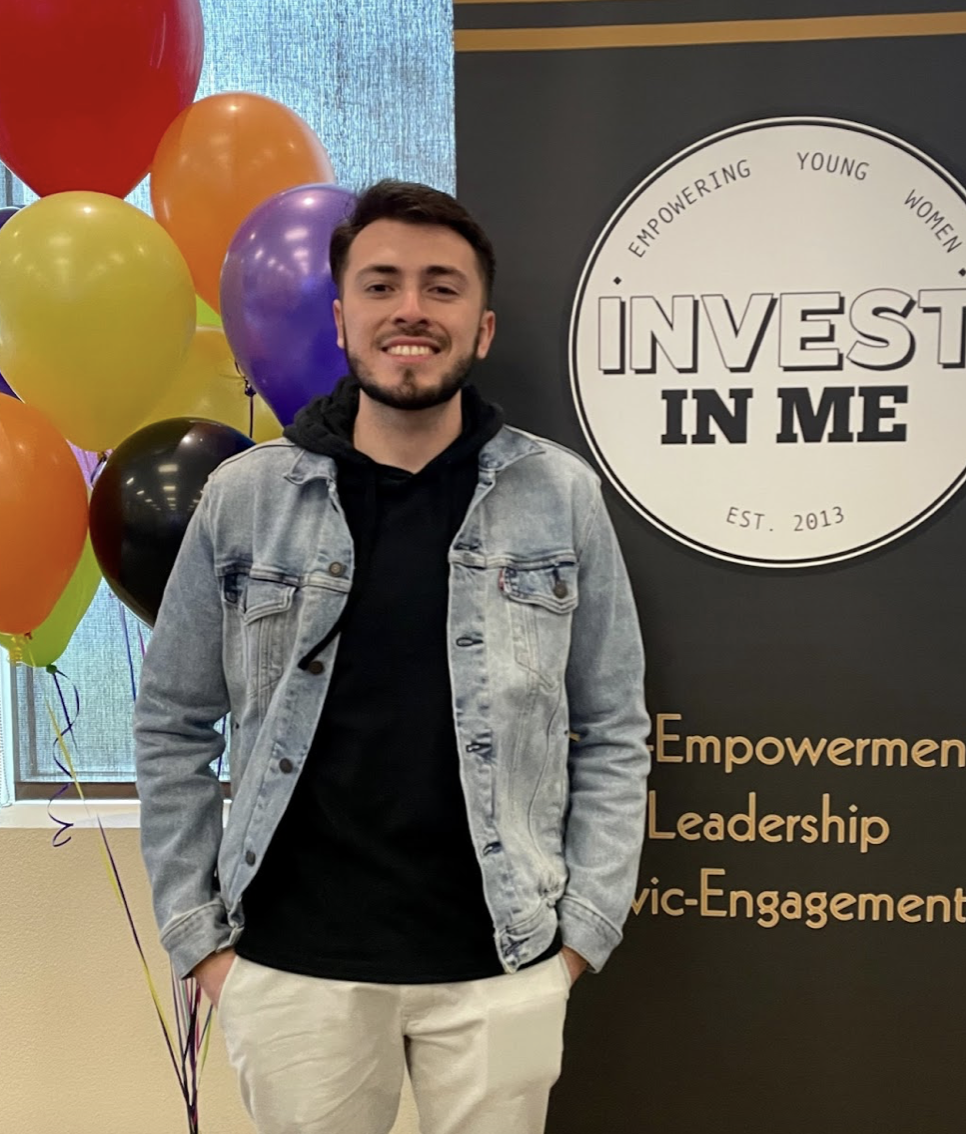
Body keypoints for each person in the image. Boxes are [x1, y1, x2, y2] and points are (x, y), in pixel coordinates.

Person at [133, 179, 650, 1134]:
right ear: (341, 319)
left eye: (442, 287)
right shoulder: (246, 498)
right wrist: (201, 943)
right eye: (382, 285)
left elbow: (614, 726)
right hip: (290, 971)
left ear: (483, 327)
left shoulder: (559, 495)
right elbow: (171, 723)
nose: (411, 308)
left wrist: (580, 936)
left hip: (506, 966)